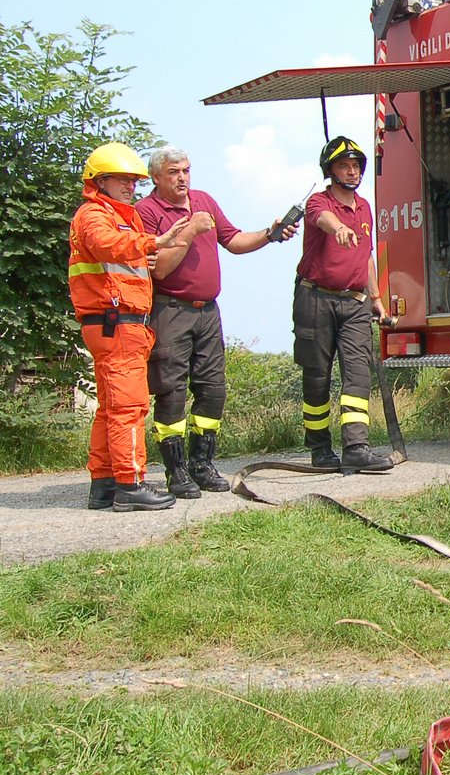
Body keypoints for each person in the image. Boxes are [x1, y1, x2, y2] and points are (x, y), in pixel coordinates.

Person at [136, 147, 298, 499]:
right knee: (171, 392)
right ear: (156, 178)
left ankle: (202, 464)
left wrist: (270, 233)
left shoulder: (204, 200)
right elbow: (159, 268)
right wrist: (191, 229)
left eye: (187, 170)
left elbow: (234, 240)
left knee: (212, 389)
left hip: (208, 311)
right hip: (170, 310)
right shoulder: (146, 212)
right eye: (174, 172)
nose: (182, 178)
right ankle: (175, 471)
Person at [71, 143, 192, 512]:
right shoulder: (94, 215)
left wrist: (147, 247)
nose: (130, 187)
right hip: (115, 323)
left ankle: (104, 483)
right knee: (129, 406)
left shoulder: (122, 216)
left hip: (124, 324)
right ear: (99, 181)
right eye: (122, 180)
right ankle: (131, 484)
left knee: (111, 407)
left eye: (133, 181)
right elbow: (107, 245)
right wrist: (155, 241)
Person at [294, 137, 392, 473]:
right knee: (317, 376)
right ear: (330, 171)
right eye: (343, 166)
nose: (351, 172)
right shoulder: (317, 203)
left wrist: (377, 298)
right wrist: (338, 228)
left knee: (358, 373)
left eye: (355, 166)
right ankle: (320, 449)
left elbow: (366, 256)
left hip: (355, 303)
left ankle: (356, 447)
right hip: (316, 298)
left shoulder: (364, 207)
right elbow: (323, 220)